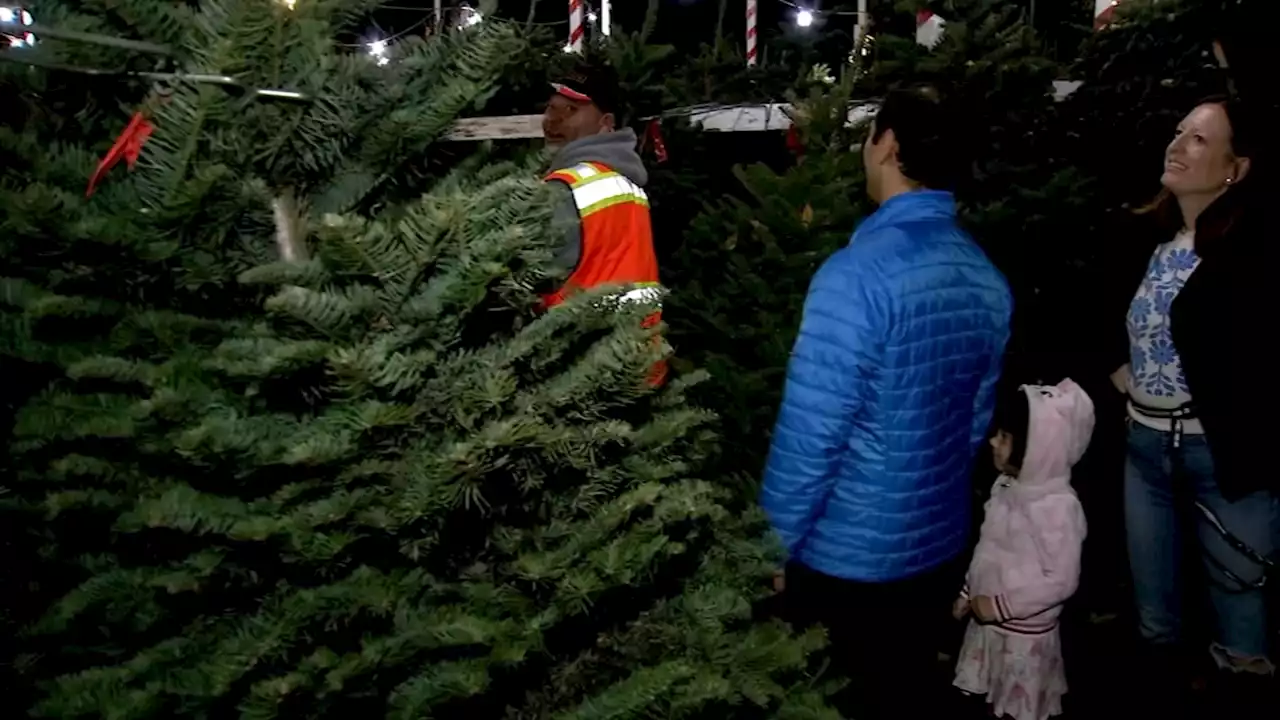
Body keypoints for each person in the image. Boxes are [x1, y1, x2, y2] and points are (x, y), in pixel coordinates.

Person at [761, 84, 1013, 719]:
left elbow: (811, 435)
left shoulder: (854, 277)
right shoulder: (984, 275)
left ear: (889, 146)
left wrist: (770, 546)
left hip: (850, 558)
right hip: (935, 546)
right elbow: (971, 426)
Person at [1104, 96, 1276, 712]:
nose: (1177, 146)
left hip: (1222, 458)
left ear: (1236, 167)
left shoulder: (1251, 250)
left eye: (1199, 140)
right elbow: (1101, 317)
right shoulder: (1145, 240)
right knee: (1156, 621)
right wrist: (1124, 378)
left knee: (1241, 619)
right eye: (1178, 133)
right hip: (1144, 452)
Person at [953, 380, 1094, 720]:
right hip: (990, 622)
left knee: (1018, 709)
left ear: (1036, 450)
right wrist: (968, 590)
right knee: (990, 700)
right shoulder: (1005, 484)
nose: (993, 442)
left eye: (1003, 437)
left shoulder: (1057, 508)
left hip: (1022, 638)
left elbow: (1061, 581)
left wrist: (1000, 606)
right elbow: (988, 546)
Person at [540, 62, 665, 384]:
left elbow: (531, 277)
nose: (553, 120)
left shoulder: (566, 187)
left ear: (606, 123)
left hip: (577, 373)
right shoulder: (627, 183)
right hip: (633, 362)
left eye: (570, 110)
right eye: (551, 108)